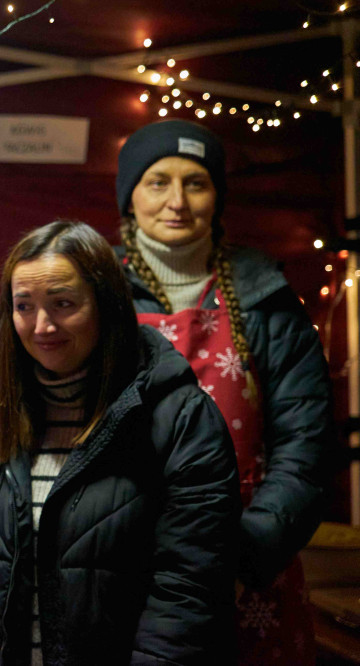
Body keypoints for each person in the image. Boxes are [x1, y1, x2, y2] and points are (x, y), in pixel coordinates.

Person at [0, 220, 241, 665]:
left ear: (106, 304)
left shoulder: (177, 417)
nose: (42, 326)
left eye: (63, 304)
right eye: (24, 306)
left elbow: (189, 589)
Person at [114, 118, 337, 664]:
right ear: (130, 197)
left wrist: (248, 554)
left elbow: (305, 447)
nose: (177, 201)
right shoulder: (97, 291)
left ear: (217, 196)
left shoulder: (267, 295)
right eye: (157, 181)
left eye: (196, 183)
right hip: (127, 559)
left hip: (253, 558)